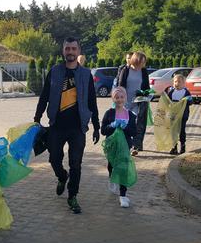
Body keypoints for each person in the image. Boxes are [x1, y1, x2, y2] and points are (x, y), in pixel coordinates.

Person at [34, 37, 100, 214]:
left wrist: (96, 125)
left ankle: (72, 196)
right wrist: (37, 117)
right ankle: (62, 177)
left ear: (78, 51)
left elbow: (92, 100)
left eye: (73, 48)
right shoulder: (55, 71)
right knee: (54, 159)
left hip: (78, 127)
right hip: (56, 126)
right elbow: (44, 95)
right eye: (67, 49)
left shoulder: (86, 74)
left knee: (76, 163)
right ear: (63, 51)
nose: (70, 52)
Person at [100, 87, 136, 208]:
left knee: (123, 169)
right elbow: (103, 131)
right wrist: (112, 125)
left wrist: (126, 127)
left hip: (125, 146)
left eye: (121, 97)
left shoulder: (130, 114)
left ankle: (123, 195)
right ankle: (111, 176)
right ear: (113, 99)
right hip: (112, 146)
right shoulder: (109, 113)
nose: (119, 99)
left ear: (125, 98)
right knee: (112, 166)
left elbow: (134, 132)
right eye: (117, 97)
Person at [116, 51, 150, 156]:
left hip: (138, 102)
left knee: (138, 123)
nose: (143, 64)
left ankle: (136, 146)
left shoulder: (143, 72)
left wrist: (146, 94)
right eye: (142, 62)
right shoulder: (125, 70)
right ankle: (125, 144)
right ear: (136, 60)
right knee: (125, 124)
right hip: (125, 102)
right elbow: (120, 85)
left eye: (144, 62)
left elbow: (146, 87)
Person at [164, 74, 192, 155]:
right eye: (175, 81)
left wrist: (188, 100)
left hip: (183, 115)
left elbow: (191, 102)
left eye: (179, 82)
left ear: (184, 83)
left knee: (181, 131)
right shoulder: (172, 91)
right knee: (173, 131)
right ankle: (174, 147)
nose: (177, 83)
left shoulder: (186, 92)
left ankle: (183, 147)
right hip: (173, 115)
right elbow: (167, 101)